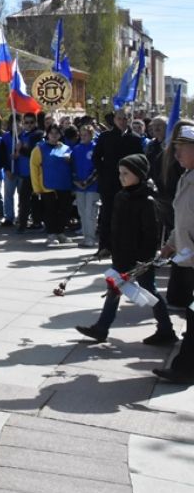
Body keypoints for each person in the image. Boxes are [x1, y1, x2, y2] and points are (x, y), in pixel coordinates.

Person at [75, 153, 176, 346]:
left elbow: (150, 234)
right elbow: (113, 224)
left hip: (139, 259)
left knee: (149, 293)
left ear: (139, 174)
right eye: (120, 173)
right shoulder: (121, 196)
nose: (121, 177)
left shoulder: (147, 200)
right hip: (121, 254)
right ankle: (101, 328)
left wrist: (145, 259)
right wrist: (106, 246)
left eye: (126, 173)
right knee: (114, 288)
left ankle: (166, 329)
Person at [155, 125, 194, 384]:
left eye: (181, 150)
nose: (177, 155)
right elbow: (183, 221)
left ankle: (184, 368)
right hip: (187, 259)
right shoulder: (186, 177)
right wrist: (170, 244)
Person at [93, 109, 144, 251]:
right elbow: (96, 157)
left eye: (126, 118)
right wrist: (103, 172)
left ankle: (125, 247)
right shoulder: (105, 137)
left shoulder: (135, 138)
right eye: (120, 118)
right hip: (109, 183)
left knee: (127, 217)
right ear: (115, 119)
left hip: (128, 185)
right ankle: (105, 247)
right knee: (107, 215)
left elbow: (140, 159)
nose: (123, 121)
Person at [31, 123, 74, 246]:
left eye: (57, 133)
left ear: (60, 134)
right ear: (47, 134)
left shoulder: (66, 148)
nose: (54, 135)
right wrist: (36, 187)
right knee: (50, 211)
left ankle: (60, 233)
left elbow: (72, 166)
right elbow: (34, 168)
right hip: (47, 186)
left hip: (64, 185)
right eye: (51, 133)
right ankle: (51, 234)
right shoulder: (39, 148)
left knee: (64, 210)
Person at [14, 112, 45, 232]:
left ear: (35, 123)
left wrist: (20, 149)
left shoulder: (38, 134)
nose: (29, 125)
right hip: (24, 172)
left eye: (31, 122)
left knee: (34, 199)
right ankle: (25, 223)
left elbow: (32, 152)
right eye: (26, 122)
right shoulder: (21, 135)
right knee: (25, 200)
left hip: (35, 173)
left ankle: (34, 222)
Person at [71, 124, 100, 247]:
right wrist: (76, 181)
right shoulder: (76, 149)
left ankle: (91, 238)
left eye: (86, 135)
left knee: (90, 213)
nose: (83, 137)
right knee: (82, 212)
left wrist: (87, 182)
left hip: (92, 186)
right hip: (79, 187)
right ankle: (85, 236)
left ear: (91, 135)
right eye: (81, 135)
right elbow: (72, 167)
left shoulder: (96, 148)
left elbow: (97, 168)